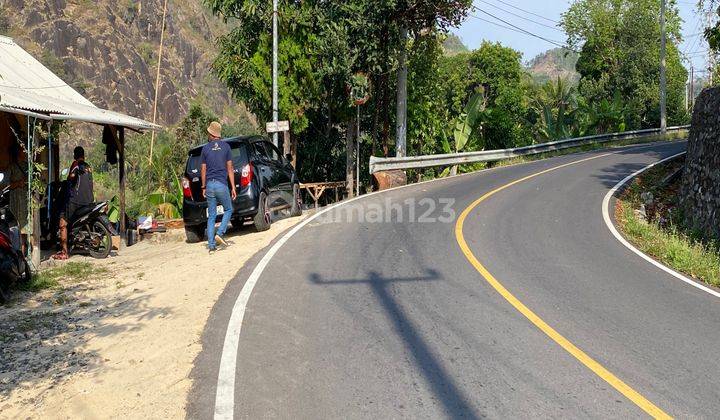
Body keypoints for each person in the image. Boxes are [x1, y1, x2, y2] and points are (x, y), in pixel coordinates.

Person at [201, 121, 236, 253]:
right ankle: (220, 233)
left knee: (212, 216)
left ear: (211, 134)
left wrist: (203, 187)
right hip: (222, 184)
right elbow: (230, 169)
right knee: (228, 210)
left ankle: (211, 246)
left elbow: (203, 170)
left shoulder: (205, 149)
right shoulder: (226, 147)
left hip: (210, 185)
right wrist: (233, 187)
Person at [54, 146, 94, 260]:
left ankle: (64, 252)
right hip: (89, 200)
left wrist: (68, 180)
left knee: (62, 224)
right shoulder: (88, 167)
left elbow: (71, 176)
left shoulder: (76, 164)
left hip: (75, 200)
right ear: (84, 155)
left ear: (75, 155)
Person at [6, 142, 28, 254]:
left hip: (25, 200)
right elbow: (5, 185)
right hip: (15, 201)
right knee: (16, 227)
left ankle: (24, 253)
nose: (24, 152)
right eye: (22, 150)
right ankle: (18, 252)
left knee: (25, 227)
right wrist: (18, 183)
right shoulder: (12, 167)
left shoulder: (27, 166)